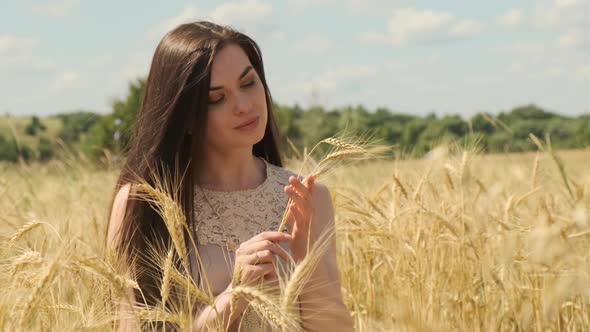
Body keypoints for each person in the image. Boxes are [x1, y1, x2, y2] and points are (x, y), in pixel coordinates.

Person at [106, 21, 353, 331]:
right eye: (216, 98)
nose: (244, 105)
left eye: (248, 83)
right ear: (185, 117)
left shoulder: (308, 196)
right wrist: (234, 297)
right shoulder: (144, 202)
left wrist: (306, 258)